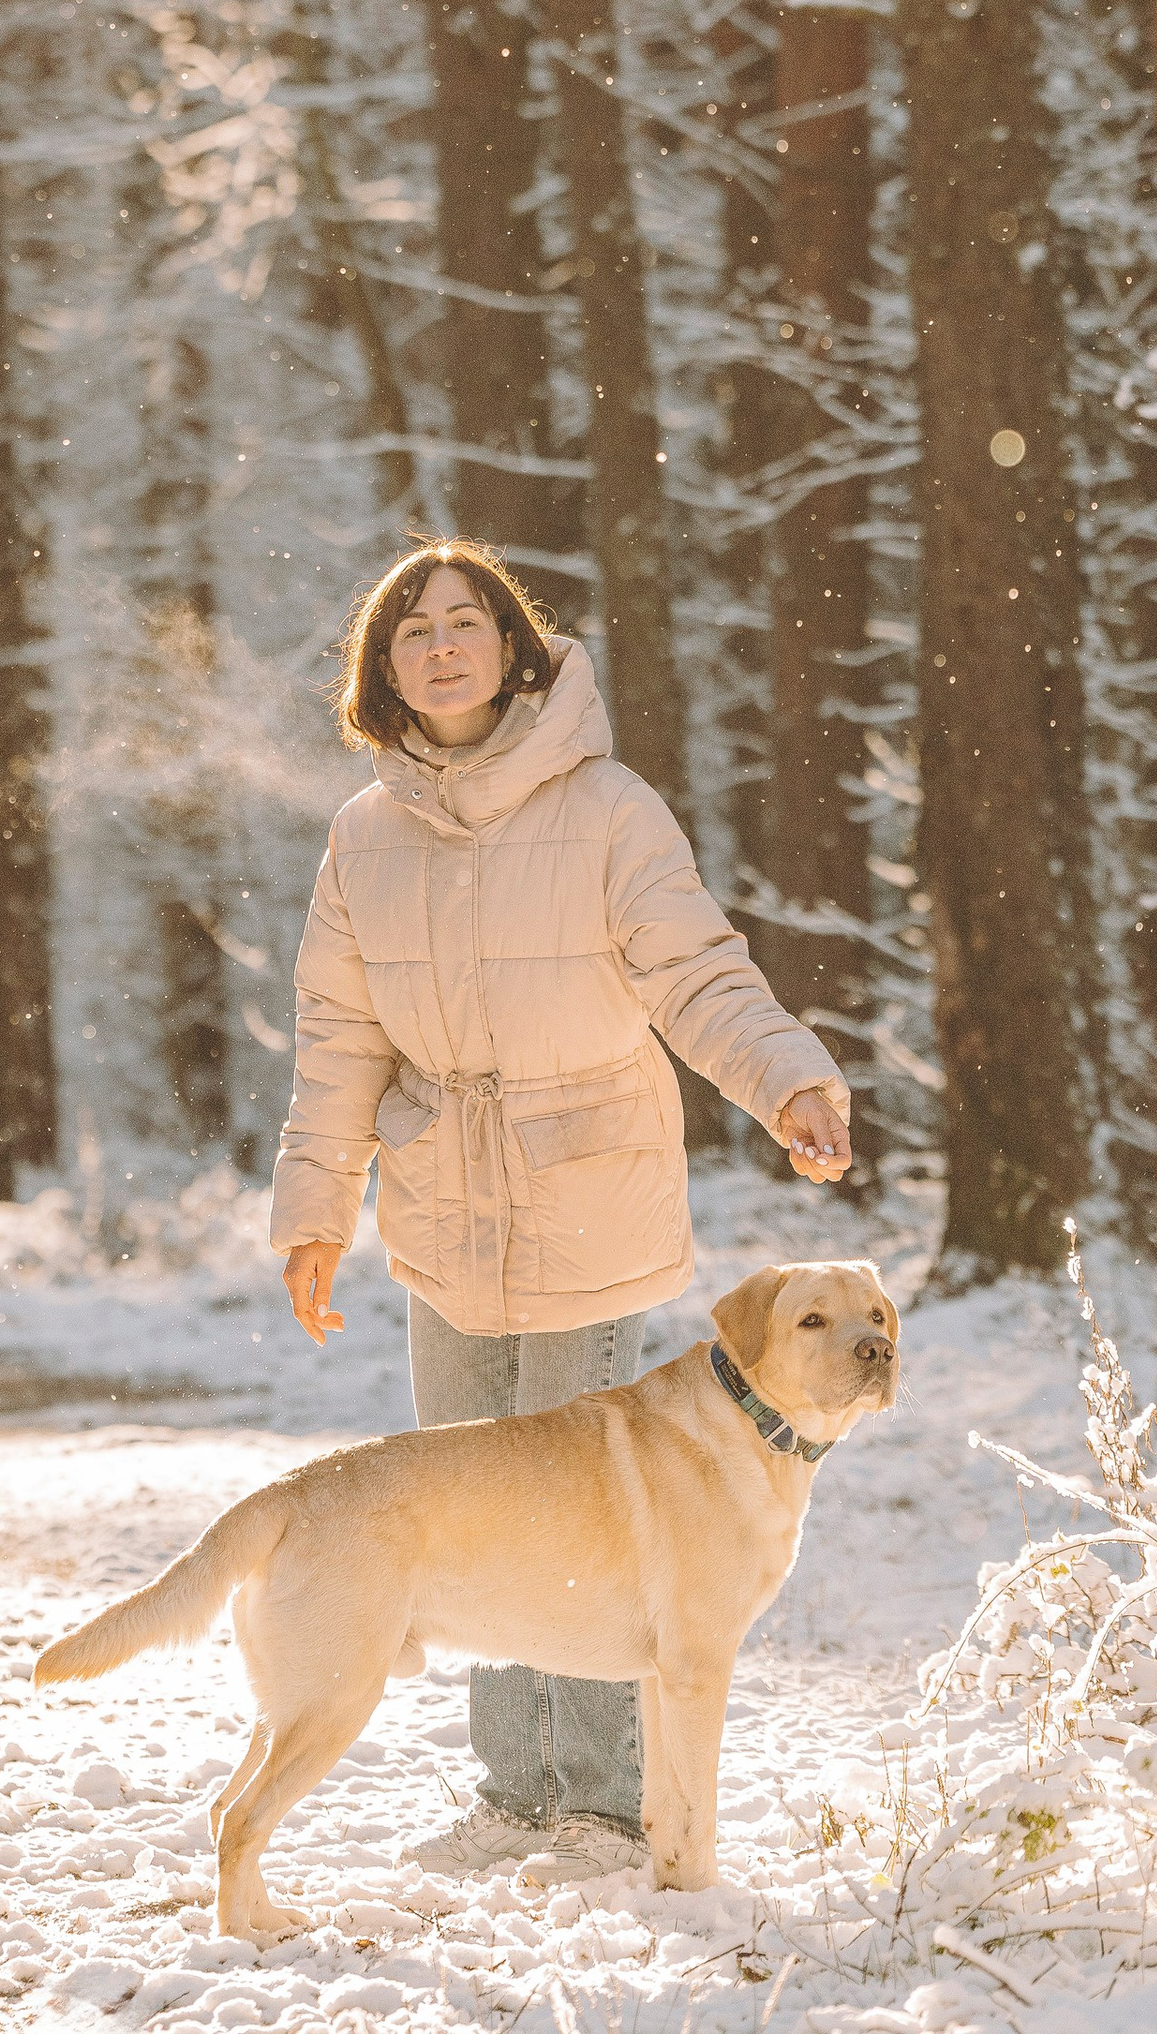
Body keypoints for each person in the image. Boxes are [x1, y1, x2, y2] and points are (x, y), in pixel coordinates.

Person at [270, 539, 853, 1875]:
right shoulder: (364, 835)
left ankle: (598, 1799)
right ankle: (513, 1791)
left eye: (465, 620)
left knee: (597, 1513)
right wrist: (317, 1210)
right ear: (384, 670)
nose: (440, 643)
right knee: (469, 1508)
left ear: (515, 646)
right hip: (441, 1209)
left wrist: (788, 1083)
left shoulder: (607, 806)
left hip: (589, 1194)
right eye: (411, 629)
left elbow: (697, 969)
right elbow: (338, 1035)